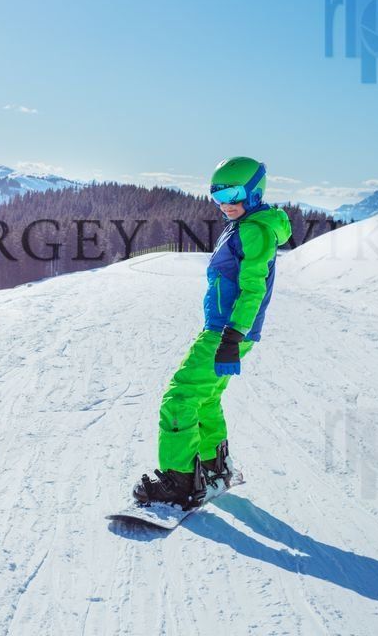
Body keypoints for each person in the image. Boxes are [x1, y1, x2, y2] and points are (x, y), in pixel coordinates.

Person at [133, 156, 292, 508]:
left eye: (233, 193)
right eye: (217, 195)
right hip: (228, 329)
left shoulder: (253, 229)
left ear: (253, 192)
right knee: (205, 398)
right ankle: (214, 467)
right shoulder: (247, 224)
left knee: (180, 398)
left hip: (227, 331)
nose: (225, 203)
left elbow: (254, 287)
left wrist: (232, 336)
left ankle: (179, 482)